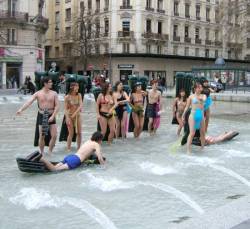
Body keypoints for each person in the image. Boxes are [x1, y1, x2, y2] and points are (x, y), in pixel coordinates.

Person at [16, 77, 59, 154]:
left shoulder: (54, 93)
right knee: (42, 136)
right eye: (50, 82)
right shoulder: (38, 93)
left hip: (51, 114)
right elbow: (29, 102)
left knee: (54, 135)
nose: (51, 83)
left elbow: (57, 106)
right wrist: (21, 109)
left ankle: (50, 151)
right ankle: (42, 153)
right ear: (45, 83)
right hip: (42, 115)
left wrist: (53, 116)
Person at [40, 131, 105, 171]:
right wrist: (104, 167)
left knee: (54, 167)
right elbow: (100, 158)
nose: (101, 141)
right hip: (75, 160)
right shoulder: (96, 144)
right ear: (99, 139)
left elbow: (88, 152)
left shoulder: (88, 141)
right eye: (101, 140)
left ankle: (45, 162)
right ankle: (42, 159)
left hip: (71, 156)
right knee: (54, 170)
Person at [182, 82, 206, 153]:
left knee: (203, 132)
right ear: (195, 88)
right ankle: (188, 150)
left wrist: (200, 98)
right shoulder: (191, 97)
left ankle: (202, 148)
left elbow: (204, 99)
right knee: (192, 133)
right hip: (193, 115)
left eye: (201, 87)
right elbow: (186, 107)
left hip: (200, 114)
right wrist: (183, 115)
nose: (200, 88)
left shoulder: (203, 95)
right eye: (199, 87)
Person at [64, 82, 83, 151]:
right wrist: (67, 118)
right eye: (76, 86)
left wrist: (75, 113)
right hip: (69, 116)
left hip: (77, 115)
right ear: (71, 87)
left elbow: (81, 105)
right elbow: (65, 109)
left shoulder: (79, 95)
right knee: (71, 133)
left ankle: (79, 148)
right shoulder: (67, 97)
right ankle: (68, 149)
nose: (78, 87)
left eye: (78, 86)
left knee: (79, 133)